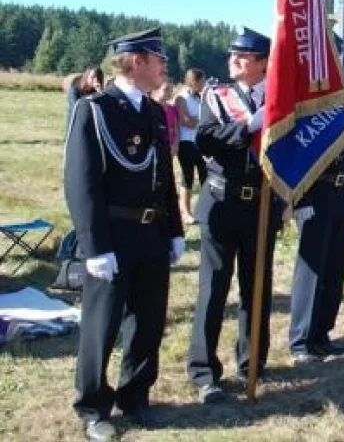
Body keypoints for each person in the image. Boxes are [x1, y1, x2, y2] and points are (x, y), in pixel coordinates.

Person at [64, 28, 184, 441]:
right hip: (113, 233)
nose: (165, 68)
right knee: (102, 324)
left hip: (151, 232)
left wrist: (174, 229)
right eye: (159, 60)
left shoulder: (151, 111)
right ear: (136, 62)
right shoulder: (94, 110)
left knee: (148, 321)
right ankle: (94, 406)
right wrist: (95, 245)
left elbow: (165, 174)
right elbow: (81, 183)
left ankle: (135, 396)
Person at [187, 27, 283, 403]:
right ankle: (204, 372)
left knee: (256, 287)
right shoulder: (217, 95)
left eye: (244, 56)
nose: (234, 60)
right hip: (223, 202)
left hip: (262, 203)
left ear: (263, 63)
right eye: (233, 55)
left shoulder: (278, 98)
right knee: (214, 289)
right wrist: (248, 126)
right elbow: (206, 138)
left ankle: (253, 360)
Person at [289, 33, 344, 364]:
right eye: (332, 54)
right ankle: (301, 338)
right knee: (312, 266)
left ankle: (322, 332)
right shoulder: (303, 97)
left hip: (340, 192)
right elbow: (296, 153)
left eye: (339, 55)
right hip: (314, 193)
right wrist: (299, 199)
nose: (337, 61)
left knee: (335, 266)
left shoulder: (337, 97)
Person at [175, 68, 207, 225]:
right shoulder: (181, 97)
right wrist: (203, 121)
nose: (204, 84)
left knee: (205, 175)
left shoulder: (200, 97)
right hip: (186, 142)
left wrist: (199, 120)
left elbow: (198, 120)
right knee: (188, 177)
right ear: (194, 81)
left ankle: (205, 209)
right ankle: (185, 212)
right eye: (202, 81)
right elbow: (186, 121)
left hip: (200, 141)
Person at [151, 81, 179, 158]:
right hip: (155, 148)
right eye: (166, 89)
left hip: (170, 146)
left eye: (171, 90)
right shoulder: (150, 108)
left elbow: (176, 129)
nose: (169, 92)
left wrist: (175, 145)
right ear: (156, 90)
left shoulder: (173, 109)